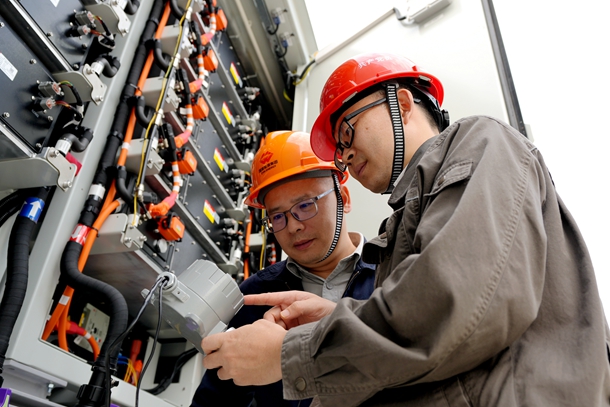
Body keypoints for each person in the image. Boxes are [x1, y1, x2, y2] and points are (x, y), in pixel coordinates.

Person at [201, 52, 610, 406]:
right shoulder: (398, 230)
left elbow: (454, 304)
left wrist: (291, 354)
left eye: (347, 132)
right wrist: (337, 318)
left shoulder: (479, 142)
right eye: (339, 149)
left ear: (400, 103)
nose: (346, 154)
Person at [190, 130, 375, 407]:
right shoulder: (254, 296)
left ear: (344, 198)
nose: (293, 226)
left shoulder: (393, 272)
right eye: (277, 216)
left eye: (305, 205)